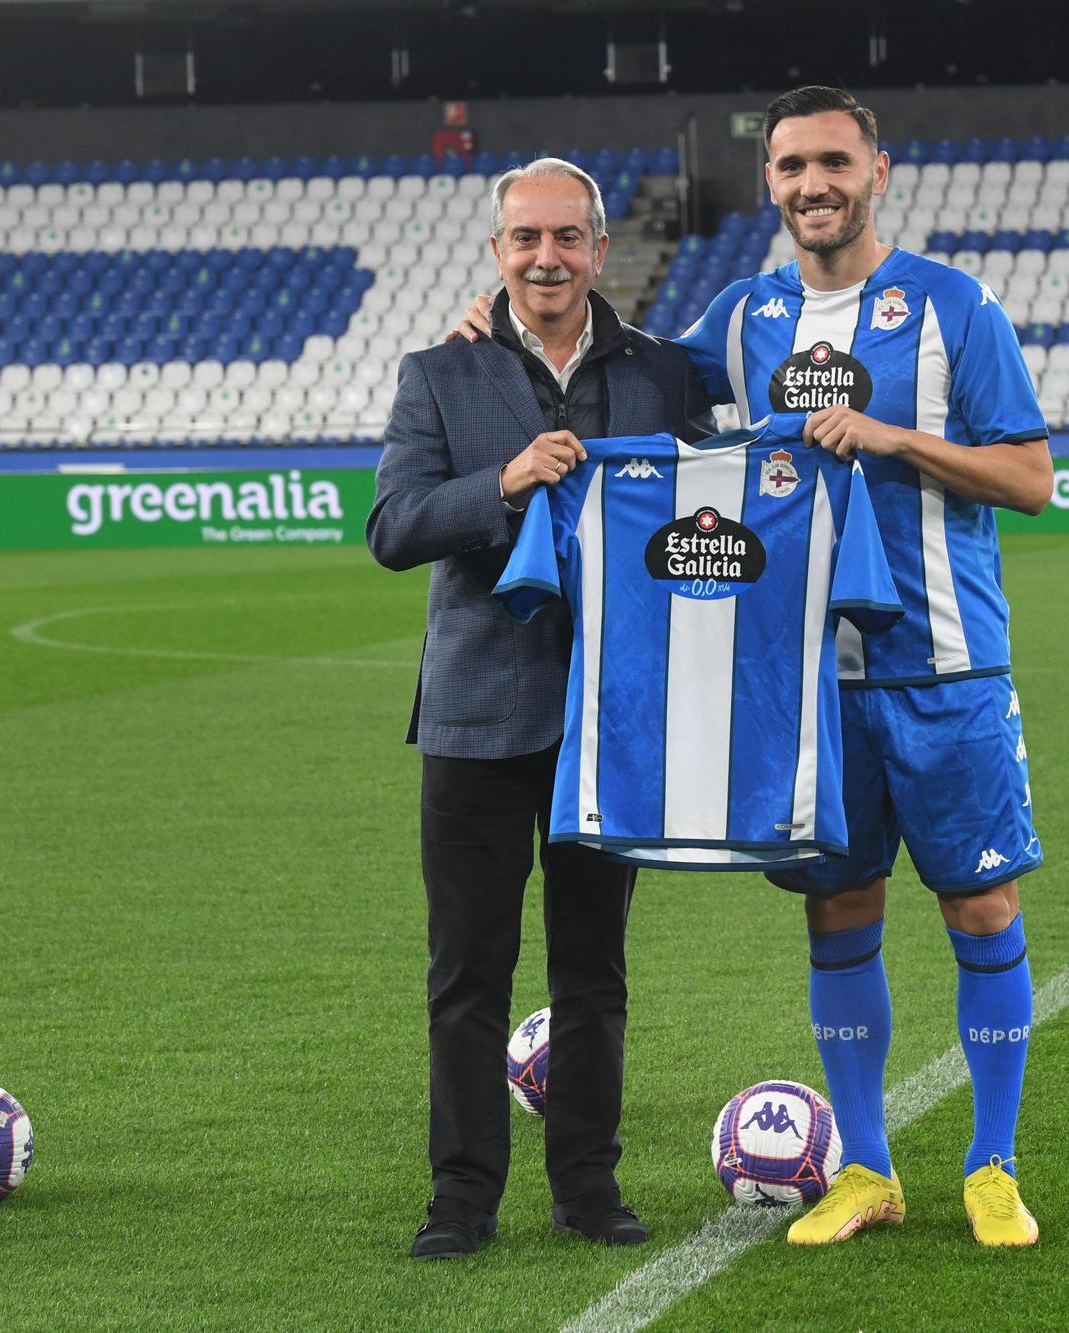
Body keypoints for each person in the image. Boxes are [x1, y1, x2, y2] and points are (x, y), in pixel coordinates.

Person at [451, 88, 1053, 1248]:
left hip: (945, 664)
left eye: (833, 161)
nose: (810, 185)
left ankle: (991, 1163)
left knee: (979, 902)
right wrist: (507, 317)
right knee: (839, 908)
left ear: (878, 168)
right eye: (789, 166)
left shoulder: (951, 309)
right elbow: (621, 383)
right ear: (769, 182)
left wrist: (889, 440)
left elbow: (1028, 477)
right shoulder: (740, 318)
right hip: (806, 685)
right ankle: (866, 1169)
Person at [368, 156, 713, 1260]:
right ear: (496, 251)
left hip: (609, 719)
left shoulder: (661, 373)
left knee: (591, 970)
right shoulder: (438, 373)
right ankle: (460, 1199)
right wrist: (506, 482)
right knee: (466, 973)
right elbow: (395, 527)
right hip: (474, 716)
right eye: (525, 239)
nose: (547, 257)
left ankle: (586, 1188)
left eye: (567, 238)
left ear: (600, 249)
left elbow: (714, 501)